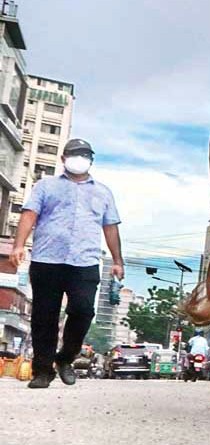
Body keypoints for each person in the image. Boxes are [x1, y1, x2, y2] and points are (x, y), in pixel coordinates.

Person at [12, 138, 123, 389]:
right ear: (63, 159)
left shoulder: (103, 192)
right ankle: (42, 371)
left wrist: (117, 261)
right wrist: (19, 244)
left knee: (83, 311)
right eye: (74, 154)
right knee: (44, 316)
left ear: (91, 160)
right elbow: (30, 214)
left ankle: (65, 358)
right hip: (46, 259)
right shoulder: (45, 186)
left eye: (84, 155)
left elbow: (110, 226)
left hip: (85, 262)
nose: (79, 159)